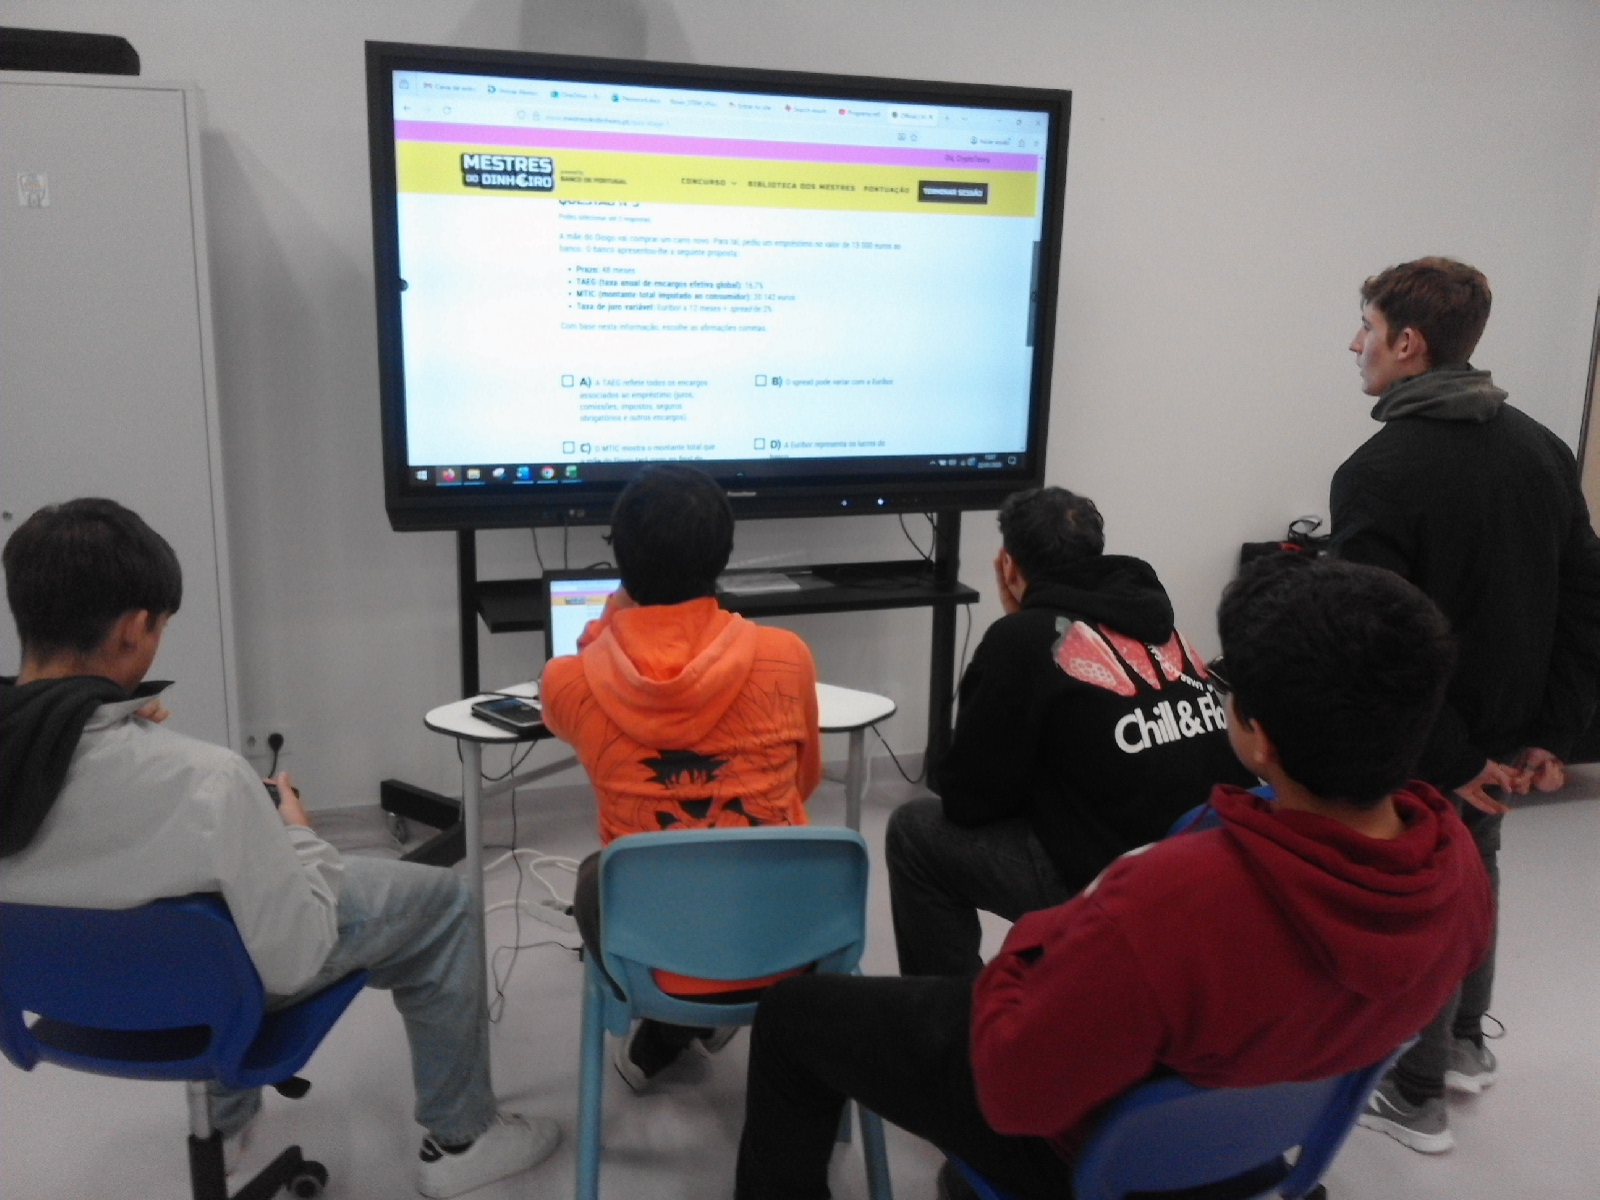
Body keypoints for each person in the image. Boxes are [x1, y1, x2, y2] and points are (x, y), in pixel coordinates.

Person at [732, 554, 1494, 1200]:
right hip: (1249, 1135)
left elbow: (1016, 1090)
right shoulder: (1455, 865)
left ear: (1258, 736)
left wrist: (1043, 941)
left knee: (795, 1015)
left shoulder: (1172, 901)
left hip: (1089, 1149)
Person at [0, 499, 557, 1200]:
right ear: (135, 627)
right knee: (442, 901)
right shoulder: (207, 780)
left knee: (193, 908)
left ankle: (227, 1123)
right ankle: (463, 1139)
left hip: (59, 993)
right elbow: (293, 954)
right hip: (201, 989)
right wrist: (295, 832)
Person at [1331, 257, 1600, 1152]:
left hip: (1430, 742)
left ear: (1409, 344)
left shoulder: (1378, 471)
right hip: (1507, 731)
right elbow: (1584, 600)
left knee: (1422, 896)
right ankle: (1463, 1046)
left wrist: (1450, 758)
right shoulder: (1542, 448)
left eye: (1368, 328)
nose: (1356, 345)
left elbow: (1381, 643)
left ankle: (1416, 1095)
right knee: (1473, 869)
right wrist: (1554, 732)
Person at [887, 486, 1251, 977]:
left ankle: (948, 1013)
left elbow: (969, 800)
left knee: (914, 831)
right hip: (1208, 872)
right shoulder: (1162, 626)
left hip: (1119, 888)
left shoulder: (1022, 639)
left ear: (1009, 566)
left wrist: (1021, 627)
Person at [539, 464, 821, 1089]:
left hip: (654, 956)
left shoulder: (569, 681)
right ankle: (686, 1029)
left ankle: (670, 1025)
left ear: (621, 562)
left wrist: (610, 620)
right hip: (788, 941)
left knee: (596, 877)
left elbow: (585, 677)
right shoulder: (787, 656)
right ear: (724, 554)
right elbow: (802, 786)